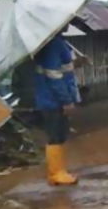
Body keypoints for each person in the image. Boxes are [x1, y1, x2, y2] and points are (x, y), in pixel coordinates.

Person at [34, 28, 81, 186]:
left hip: (52, 97)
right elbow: (54, 75)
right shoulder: (53, 44)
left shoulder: (57, 41)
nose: (68, 24)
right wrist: (66, 100)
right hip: (52, 99)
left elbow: (63, 68)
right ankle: (56, 173)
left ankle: (59, 171)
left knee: (59, 135)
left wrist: (77, 63)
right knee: (55, 135)